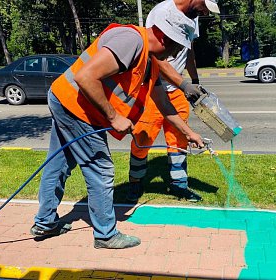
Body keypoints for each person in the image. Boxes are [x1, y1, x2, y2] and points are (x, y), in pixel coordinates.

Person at [30, 8, 204, 250]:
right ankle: (105, 235)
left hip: (67, 100)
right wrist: (114, 117)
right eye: (176, 47)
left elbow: (164, 104)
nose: (174, 55)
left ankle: (45, 222)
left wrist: (189, 133)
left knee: (58, 163)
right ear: (165, 38)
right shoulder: (130, 41)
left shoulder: (149, 61)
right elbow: (85, 77)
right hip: (76, 107)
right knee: (100, 168)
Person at [127, 0, 220, 203]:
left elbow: (189, 51)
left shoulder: (193, 18)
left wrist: (194, 81)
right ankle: (135, 183)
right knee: (143, 138)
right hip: (152, 88)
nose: (205, 12)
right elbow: (154, 56)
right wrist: (184, 83)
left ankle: (179, 185)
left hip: (177, 89)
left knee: (179, 140)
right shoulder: (162, 12)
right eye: (205, 6)